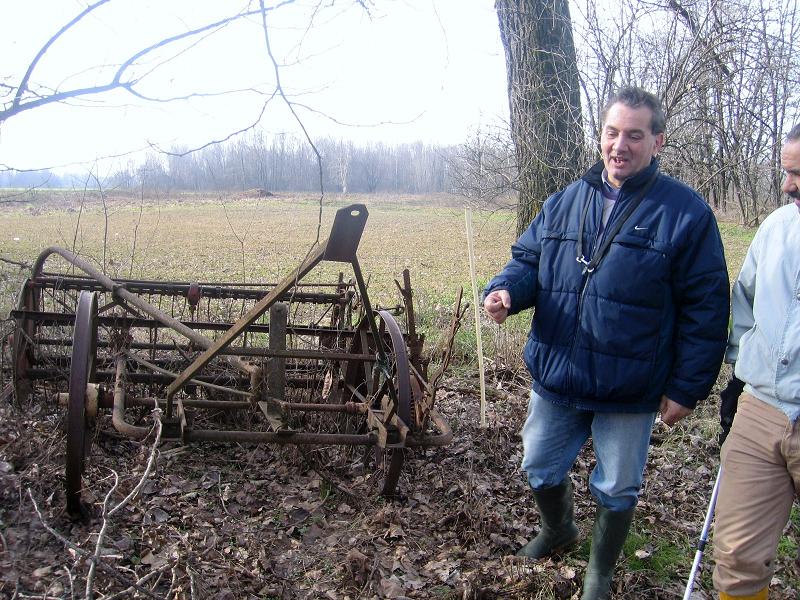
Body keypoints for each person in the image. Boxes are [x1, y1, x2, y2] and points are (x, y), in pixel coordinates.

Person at [483, 86, 730, 599]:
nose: (620, 146)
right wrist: (506, 291)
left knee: (617, 487)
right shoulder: (566, 200)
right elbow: (528, 260)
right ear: (600, 136)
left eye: (634, 136)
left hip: (629, 384)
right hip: (559, 369)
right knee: (538, 465)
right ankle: (558, 529)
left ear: (657, 141)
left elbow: (706, 309)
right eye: (612, 133)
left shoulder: (686, 214)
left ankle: (599, 572)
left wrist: (687, 387)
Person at [713, 123, 800, 600]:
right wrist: (738, 375)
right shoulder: (777, 227)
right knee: (737, 556)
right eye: (787, 172)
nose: (788, 186)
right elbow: (744, 300)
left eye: (799, 174)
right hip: (761, 408)